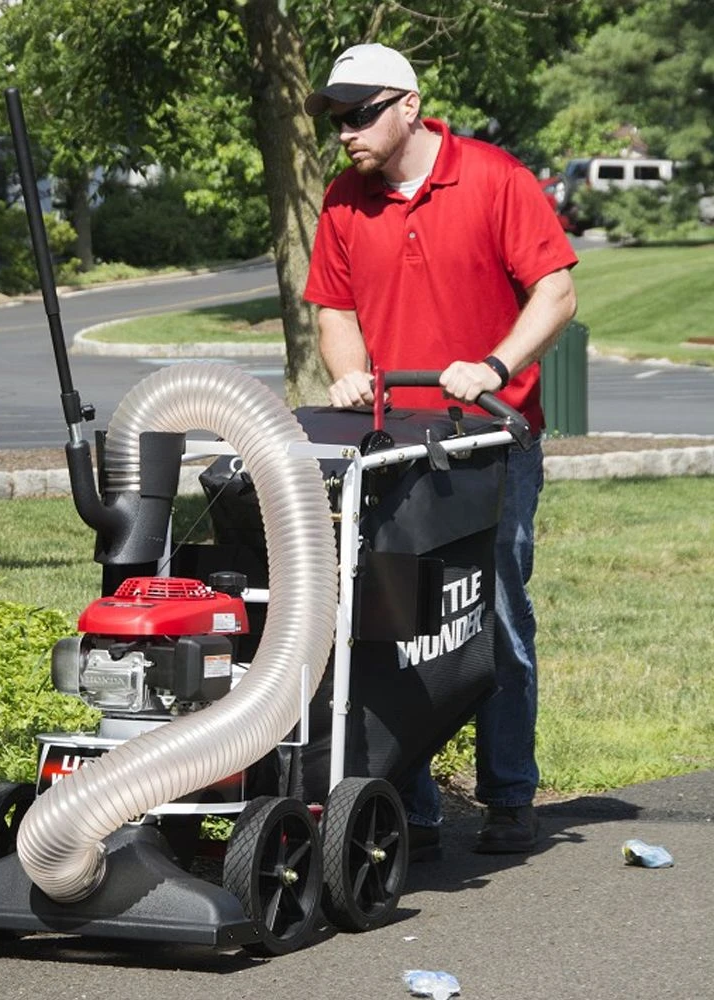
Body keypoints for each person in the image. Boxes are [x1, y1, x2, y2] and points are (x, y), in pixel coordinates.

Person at [303, 43, 578, 855]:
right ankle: (409, 809)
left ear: (409, 106)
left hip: (492, 441)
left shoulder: (494, 179)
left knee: (495, 612)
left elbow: (556, 293)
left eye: (360, 114)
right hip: (394, 448)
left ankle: (508, 795)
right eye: (336, 118)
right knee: (396, 619)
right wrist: (347, 373)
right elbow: (333, 309)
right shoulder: (343, 200)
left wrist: (494, 366)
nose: (345, 132)